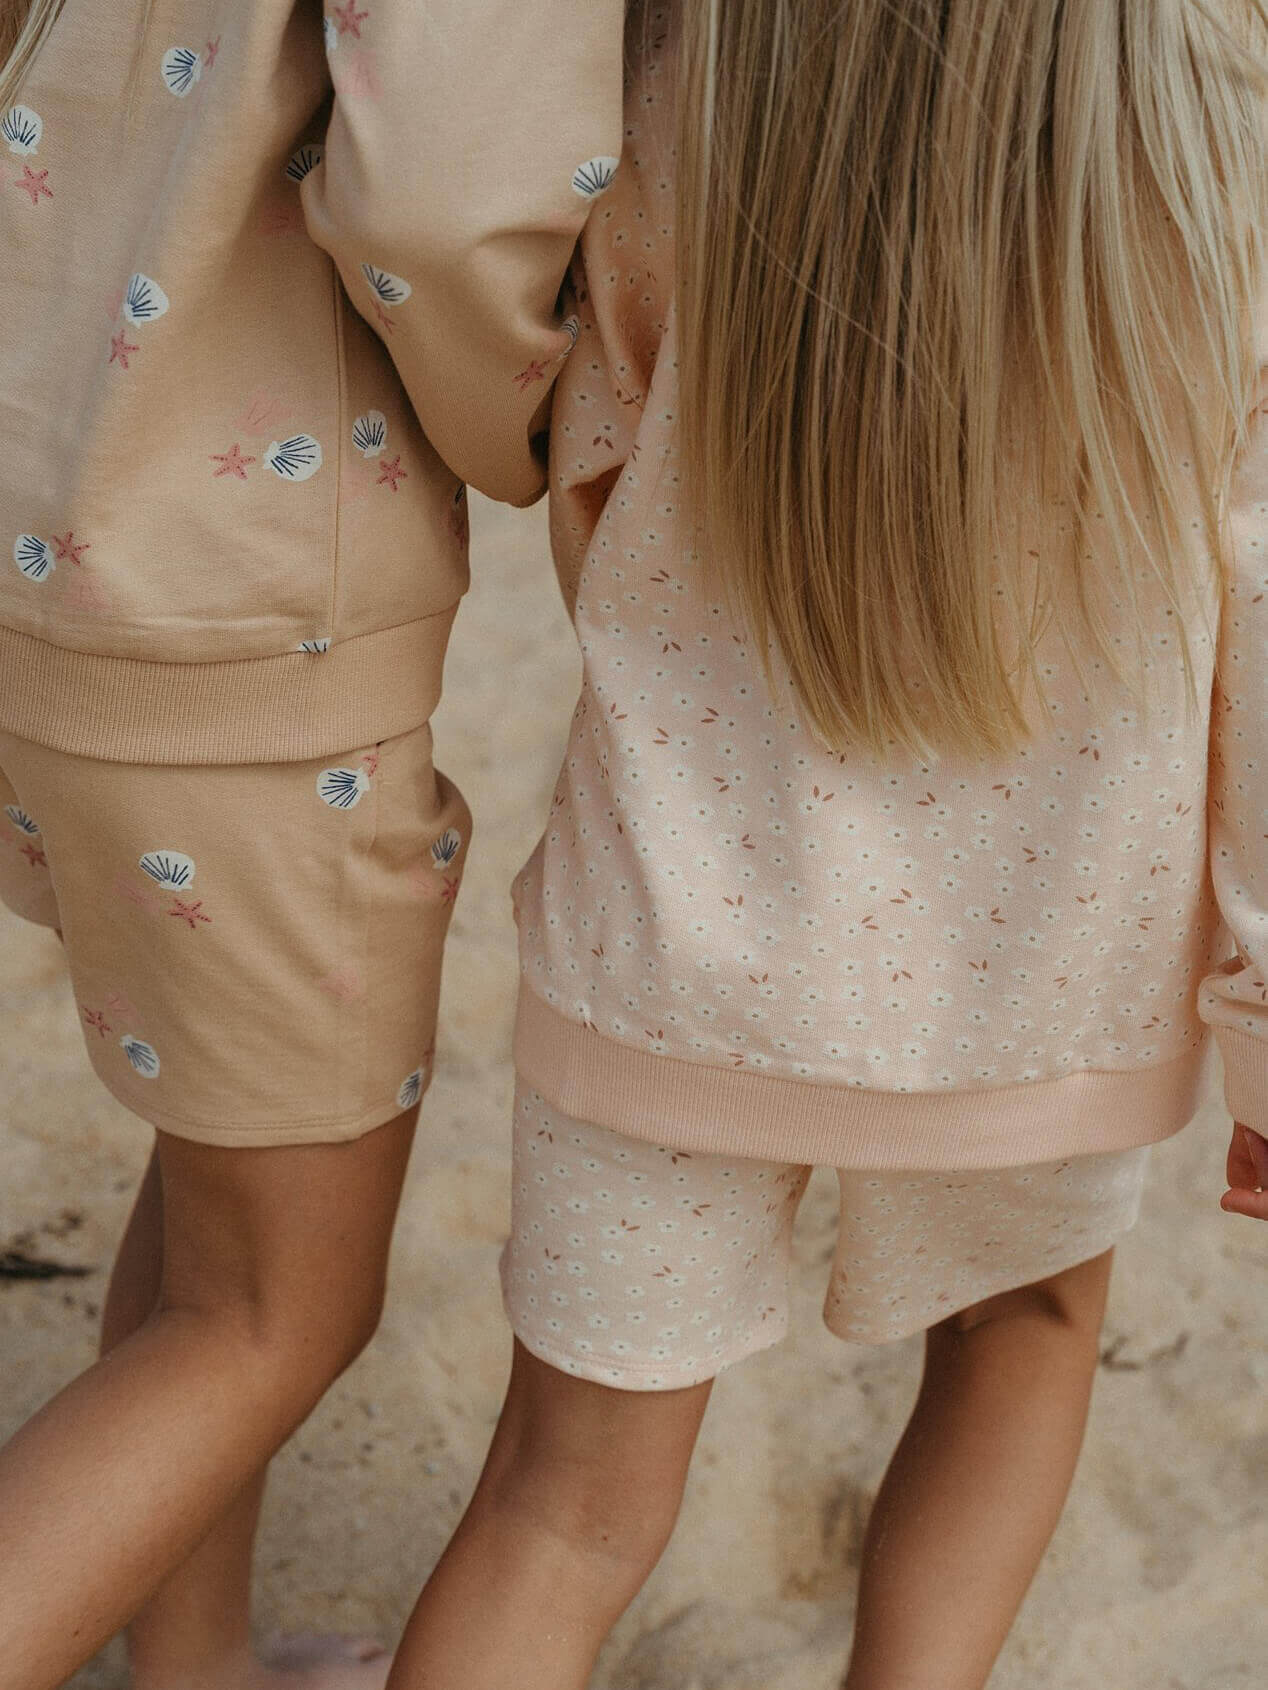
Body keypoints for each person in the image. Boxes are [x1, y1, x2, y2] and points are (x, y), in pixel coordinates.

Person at [375, 4, 1268, 1688]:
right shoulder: (1220, 127)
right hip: (1048, 965)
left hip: (676, 928)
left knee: (559, 1511)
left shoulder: (692, 80)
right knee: (1023, 1334)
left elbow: (592, 431)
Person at [0, 2, 619, 1687]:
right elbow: (442, 201)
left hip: (54, 516)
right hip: (246, 613)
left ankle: (191, 1663)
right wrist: (530, 432)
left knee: (222, 1159)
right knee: (279, 1312)